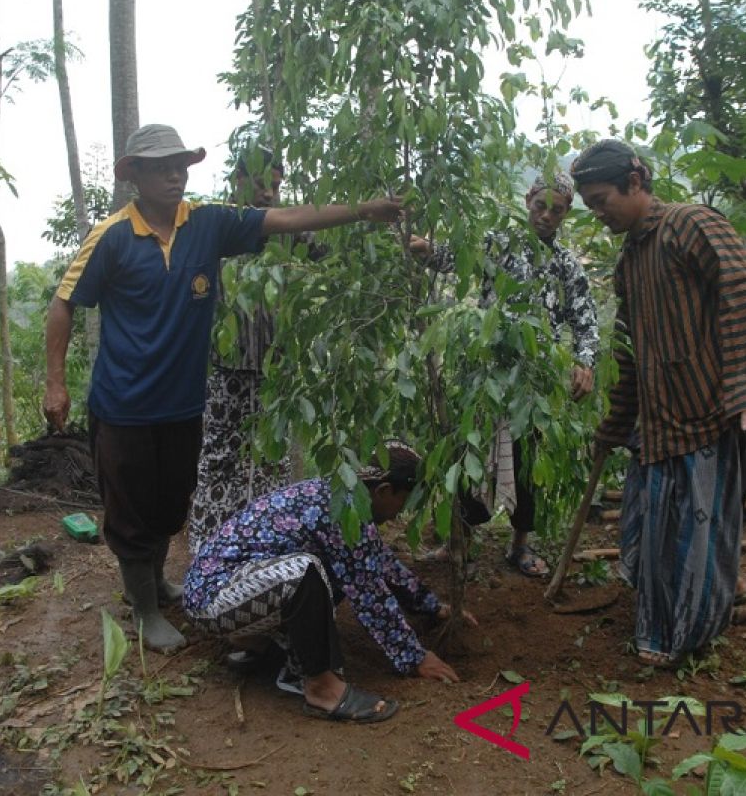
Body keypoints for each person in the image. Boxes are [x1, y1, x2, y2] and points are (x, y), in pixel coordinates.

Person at [43, 124, 403, 652]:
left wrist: (362, 208)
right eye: (161, 166)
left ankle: (159, 582)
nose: (174, 174)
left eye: (180, 164)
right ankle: (142, 608)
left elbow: (286, 219)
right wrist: (55, 384)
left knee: (171, 501)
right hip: (124, 405)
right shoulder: (113, 236)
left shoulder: (208, 224)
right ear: (134, 175)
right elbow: (63, 304)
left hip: (184, 403)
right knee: (130, 509)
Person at [570, 138, 746, 667]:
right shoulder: (630, 259)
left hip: (713, 414)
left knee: (695, 539)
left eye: (601, 200)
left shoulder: (691, 224)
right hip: (660, 423)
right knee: (648, 534)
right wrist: (616, 422)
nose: (598, 214)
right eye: (590, 205)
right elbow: (628, 347)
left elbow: (744, 289)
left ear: (635, 182)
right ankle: (679, 618)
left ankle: (679, 640)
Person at [182, 441, 474, 723]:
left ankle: (261, 643)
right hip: (212, 597)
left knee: (333, 568)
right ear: (384, 490)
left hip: (239, 589)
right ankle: (321, 687)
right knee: (305, 571)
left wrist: (432, 607)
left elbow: (380, 562)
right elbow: (369, 594)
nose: (402, 512)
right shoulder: (341, 511)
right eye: (404, 501)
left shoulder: (346, 498)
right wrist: (414, 658)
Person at [409, 171, 599, 577]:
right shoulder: (500, 244)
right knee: (471, 450)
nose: (546, 216)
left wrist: (585, 362)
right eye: (540, 206)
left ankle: (520, 545)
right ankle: (458, 538)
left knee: (528, 460)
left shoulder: (566, 265)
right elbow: (454, 259)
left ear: (565, 215)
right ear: (527, 201)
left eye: (556, 211)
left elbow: (585, 322)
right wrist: (426, 249)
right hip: (486, 375)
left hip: (537, 380)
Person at [187, 144, 324, 555]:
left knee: (271, 461)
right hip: (226, 365)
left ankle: (262, 546)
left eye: (276, 186)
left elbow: (331, 254)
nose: (269, 193)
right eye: (262, 183)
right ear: (240, 180)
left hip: (275, 369)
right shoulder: (218, 225)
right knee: (219, 457)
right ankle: (207, 551)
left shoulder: (288, 230)